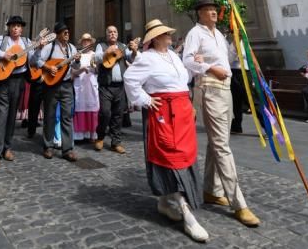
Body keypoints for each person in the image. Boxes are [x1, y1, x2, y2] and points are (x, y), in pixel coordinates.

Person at [124, 19, 209, 243]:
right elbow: (130, 79)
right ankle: (187, 214)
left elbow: (183, 79)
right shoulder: (147, 58)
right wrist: (144, 99)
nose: (170, 36)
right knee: (171, 157)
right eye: (165, 34)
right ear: (156, 38)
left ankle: (163, 202)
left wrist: (197, 65)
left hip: (181, 112)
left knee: (184, 156)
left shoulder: (173, 56)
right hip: (164, 112)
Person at [183, 0, 260, 228]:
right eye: (208, 10)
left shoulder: (219, 35)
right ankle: (239, 203)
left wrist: (239, 43)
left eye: (215, 9)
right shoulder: (195, 33)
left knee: (218, 142)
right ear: (200, 13)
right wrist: (208, 67)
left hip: (226, 89)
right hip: (210, 88)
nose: (214, 13)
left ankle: (210, 189)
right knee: (222, 146)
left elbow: (230, 60)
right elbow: (188, 60)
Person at [0, 15, 33, 171]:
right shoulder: (2, 39)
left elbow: (32, 60)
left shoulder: (27, 43)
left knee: (12, 116)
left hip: (19, 81)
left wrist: (39, 48)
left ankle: (7, 148)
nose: (15, 28)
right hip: (3, 81)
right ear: (9, 27)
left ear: (22, 28)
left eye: (18, 26)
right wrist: (3, 55)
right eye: (13, 26)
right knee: (1, 117)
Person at [31, 21, 80, 161]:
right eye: (64, 32)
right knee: (50, 116)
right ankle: (48, 146)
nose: (67, 34)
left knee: (67, 117)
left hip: (67, 86)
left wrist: (77, 61)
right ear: (58, 34)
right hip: (51, 86)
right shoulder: (50, 48)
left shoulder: (72, 48)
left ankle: (68, 149)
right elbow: (35, 60)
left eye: (68, 32)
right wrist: (47, 67)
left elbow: (76, 67)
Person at [94, 25, 138, 154]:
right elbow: (96, 58)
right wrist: (107, 52)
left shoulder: (123, 46)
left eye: (115, 32)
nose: (112, 34)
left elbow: (132, 59)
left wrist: (134, 50)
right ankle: (100, 137)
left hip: (120, 86)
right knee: (105, 113)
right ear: (106, 34)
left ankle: (116, 142)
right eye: (110, 32)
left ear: (117, 34)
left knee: (118, 115)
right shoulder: (101, 46)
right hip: (106, 86)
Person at [72, 33, 99, 141]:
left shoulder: (95, 54)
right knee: (80, 106)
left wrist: (95, 67)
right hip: (80, 83)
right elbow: (73, 71)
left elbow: (99, 70)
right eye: (84, 41)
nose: (86, 42)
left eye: (88, 40)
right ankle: (80, 134)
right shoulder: (77, 55)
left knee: (92, 107)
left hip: (91, 84)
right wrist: (81, 69)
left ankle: (92, 133)